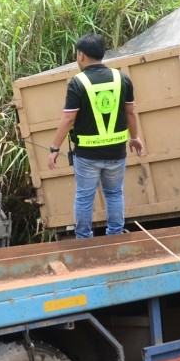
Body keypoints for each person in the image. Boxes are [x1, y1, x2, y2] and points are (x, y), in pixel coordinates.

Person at [46, 33, 145, 237]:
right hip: (116, 152)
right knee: (114, 194)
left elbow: (68, 119)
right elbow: (130, 112)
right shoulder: (122, 78)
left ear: (81, 55)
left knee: (84, 197)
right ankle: (115, 235)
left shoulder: (77, 82)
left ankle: (83, 238)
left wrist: (54, 148)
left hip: (87, 155)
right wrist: (134, 137)